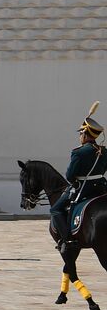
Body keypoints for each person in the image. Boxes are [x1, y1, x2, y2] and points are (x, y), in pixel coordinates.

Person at [49, 106, 105, 253]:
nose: (80, 136)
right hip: (101, 187)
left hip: (83, 188)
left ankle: (67, 240)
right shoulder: (104, 151)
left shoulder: (79, 152)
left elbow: (70, 176)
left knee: (55, 209)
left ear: (86, 134)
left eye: (81, 133)